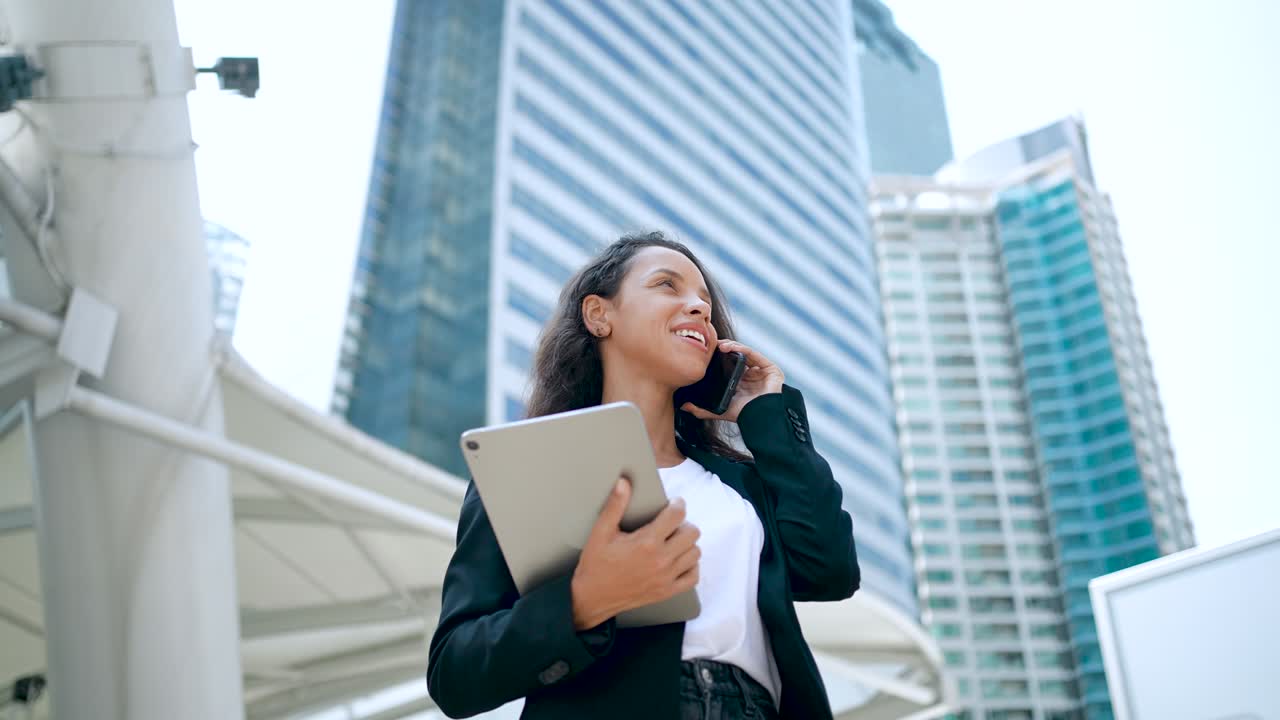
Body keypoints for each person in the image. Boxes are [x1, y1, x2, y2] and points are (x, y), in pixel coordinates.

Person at [427, 231, 860, 719]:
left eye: (704, 301)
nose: (699, 307)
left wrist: (769, 417)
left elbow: (830, 571)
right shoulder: (529, 466)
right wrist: (582, 603)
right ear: (599, 315)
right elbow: (455, 672)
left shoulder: (741, 485)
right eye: (667, 285)